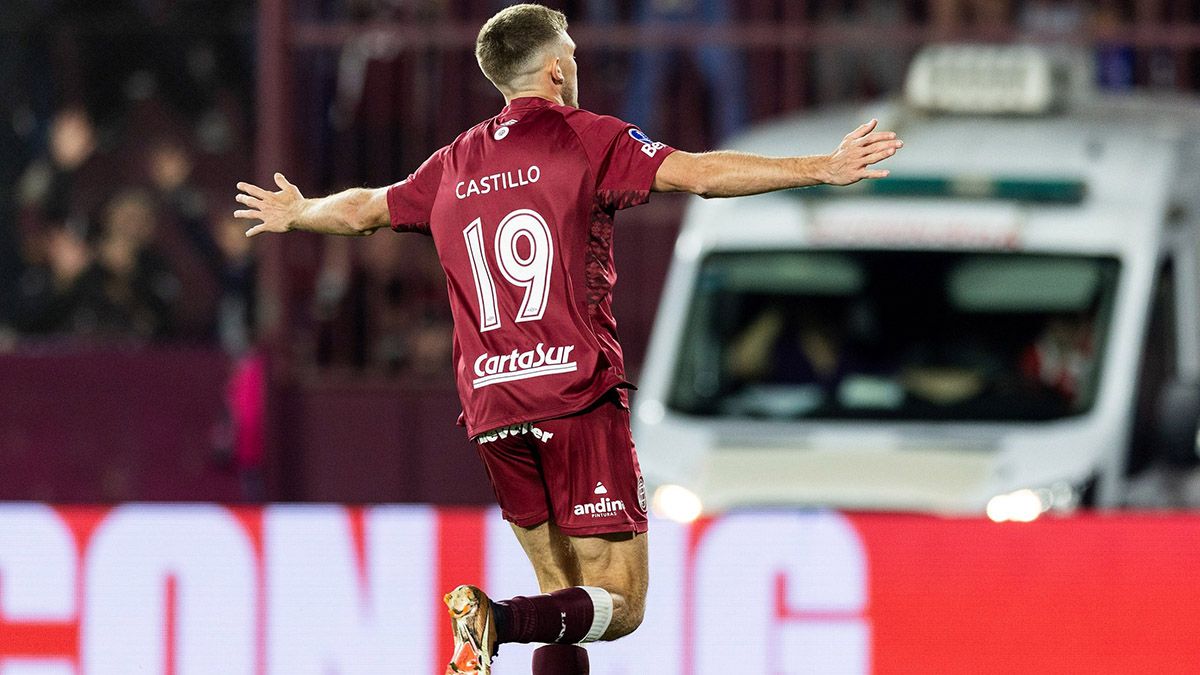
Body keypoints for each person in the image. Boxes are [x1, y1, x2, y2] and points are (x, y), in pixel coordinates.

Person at [233, 4, 902, 674]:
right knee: (621, 601)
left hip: (493, 408)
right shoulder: (585, 139)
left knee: (566, 598)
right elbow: (699, 174)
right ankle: (495, 618)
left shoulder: (452, 163)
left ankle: (503, 622)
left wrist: (299, 213)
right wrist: (823, 166)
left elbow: (363, 210)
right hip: (573, 394)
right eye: (573, 52)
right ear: (555, 68)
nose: (577, 63)